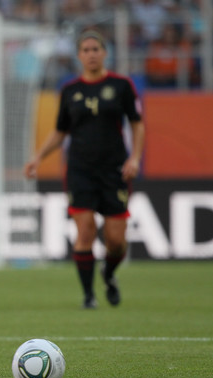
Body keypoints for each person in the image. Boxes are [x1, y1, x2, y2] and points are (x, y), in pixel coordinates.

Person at [23, 29, 145, 309]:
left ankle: (109, 274)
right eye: (86, 50)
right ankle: (89, 296)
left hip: (115, 170)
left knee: (116, 241)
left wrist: (135, 158)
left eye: (96, 49)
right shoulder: (70, 90)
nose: (91, 54)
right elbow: (60, 131)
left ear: (105, 53)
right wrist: (38, 157)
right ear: (79, 56)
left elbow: (137, 124)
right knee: (85, 230)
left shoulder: (121, 86)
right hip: (79, 170)